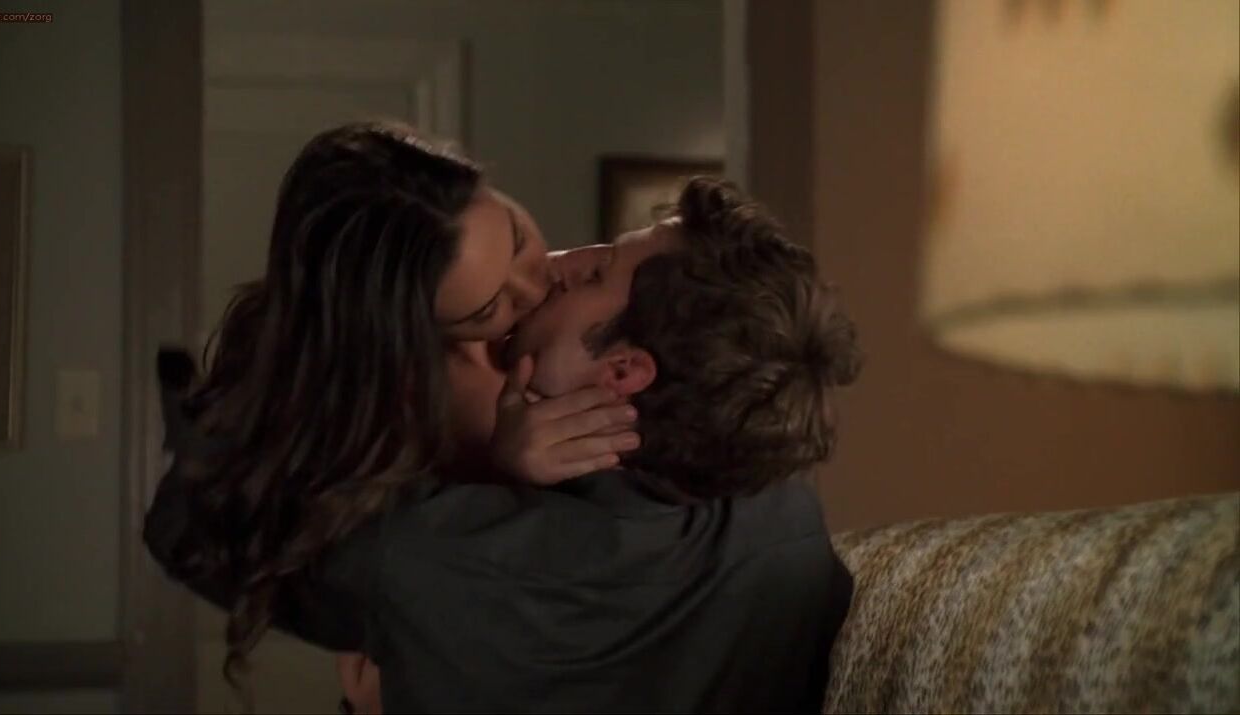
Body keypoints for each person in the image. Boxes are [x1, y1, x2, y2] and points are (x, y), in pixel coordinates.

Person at [151, 176, 862, 712]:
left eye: (595, 273)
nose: (559, 263)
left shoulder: (425, 556)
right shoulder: (792, 527)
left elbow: (187, 528)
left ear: (622, 372)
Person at [143, 118, 642, 700]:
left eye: (516, 239)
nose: (534, 288)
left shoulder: (581, 296)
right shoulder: (381, 409)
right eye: (487, 309)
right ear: (403, 321)